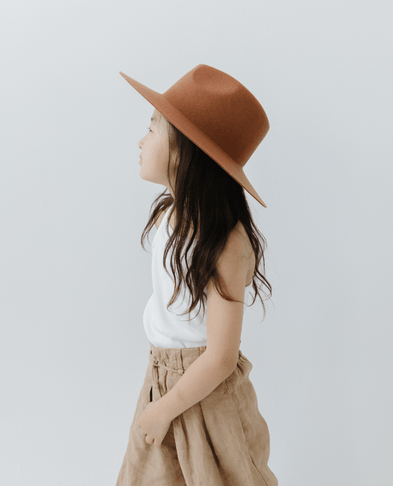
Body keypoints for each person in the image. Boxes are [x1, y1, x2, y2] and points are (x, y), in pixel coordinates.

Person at [115, 64, 279, 485]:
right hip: (160, 379)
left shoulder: (223, 243)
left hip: (205, 393)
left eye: (152, 129)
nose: (140, 140)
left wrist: (166, 409)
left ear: (184, 151)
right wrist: (159, 401)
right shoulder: (168, 217)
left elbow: (221, 356)